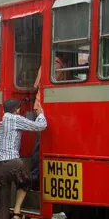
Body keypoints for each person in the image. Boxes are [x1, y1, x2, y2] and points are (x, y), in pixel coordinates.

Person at [0, 98, 47, 219]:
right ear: (16, 109)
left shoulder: (1, 124)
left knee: (0, 207)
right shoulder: (15, 119)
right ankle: (16, 211)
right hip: (13, 163)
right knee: (27, 180)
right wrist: (40, 114)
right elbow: (41, 126)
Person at [31, 54, 68, 183]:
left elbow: (36, 86)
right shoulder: (61, 67)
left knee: (39, 142)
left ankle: (35, 174)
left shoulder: (45, 65)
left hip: (40, 106)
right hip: (50, 107)